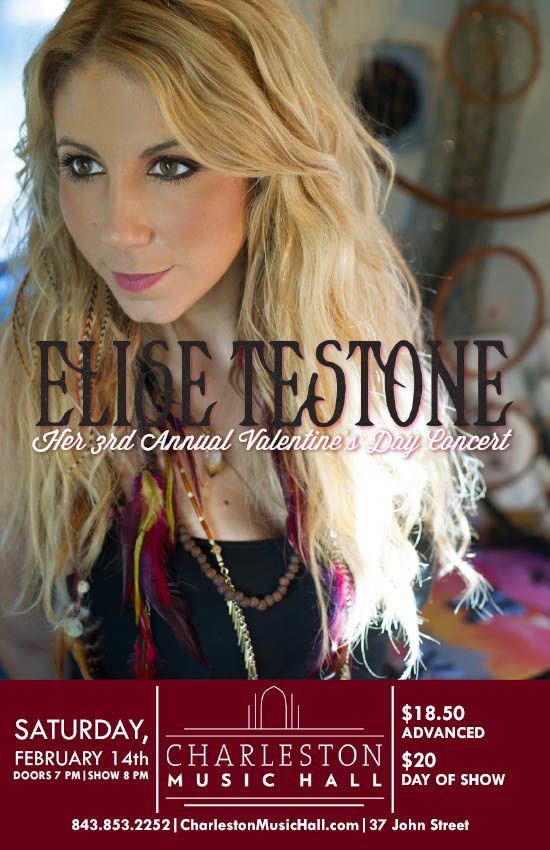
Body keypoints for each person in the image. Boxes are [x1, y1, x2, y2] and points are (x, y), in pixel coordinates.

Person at [0, 0, 483, 681]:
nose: (116, 228)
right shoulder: (37, 394)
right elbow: (28, 668)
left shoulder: (372, 369)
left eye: (170, 166)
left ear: (266, 167)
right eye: (83, 165)